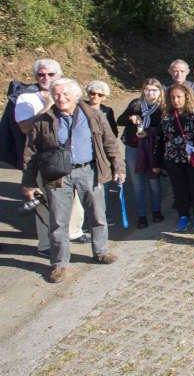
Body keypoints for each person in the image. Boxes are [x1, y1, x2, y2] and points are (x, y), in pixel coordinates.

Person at [21, 78, 125, 283]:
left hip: (89, 170)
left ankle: (101, 251)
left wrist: (119, 167)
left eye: (65, 94)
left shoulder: (93, 115)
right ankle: (59, 264)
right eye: (56, 94)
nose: (61, 98)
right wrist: (29, 182)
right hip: (57, 175)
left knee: (97, 214)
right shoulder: (43, 120)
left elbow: (110, 143)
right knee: (59, 221)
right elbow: (30, 153)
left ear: (76, 95)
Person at [153, 84, 194, 231]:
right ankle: (183, 215)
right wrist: (156, 162)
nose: (176, 100)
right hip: (173, 159)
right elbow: (160, 140)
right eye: (172, 97)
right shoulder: (165, 117)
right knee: (179, 189)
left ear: (186, 97)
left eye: (179, 97)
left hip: (193, 159)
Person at [117, 78, 165, 228]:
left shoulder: (162, 107)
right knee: (138, 183)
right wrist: (130, 118)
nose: (150, 93)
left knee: (154, 182)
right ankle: (141, 215)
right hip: (134, 148)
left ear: (159, 92)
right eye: (147, 89)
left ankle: (156, 211)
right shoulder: (135, 105)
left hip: (153, 149)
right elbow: (120, 120)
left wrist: (149, 132)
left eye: (154, 90)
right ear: (143, 90)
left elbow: (164, 129)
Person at [84, 80, 119, 223]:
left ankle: (103, 216)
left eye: (100, 94)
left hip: (103, 153)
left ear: (104, 97)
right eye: (92, 93)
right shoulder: (80, 108)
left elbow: (113, 132)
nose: (95, 97)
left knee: (103, 185)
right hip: (86, 151)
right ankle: (86, 219)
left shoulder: (107, 111)